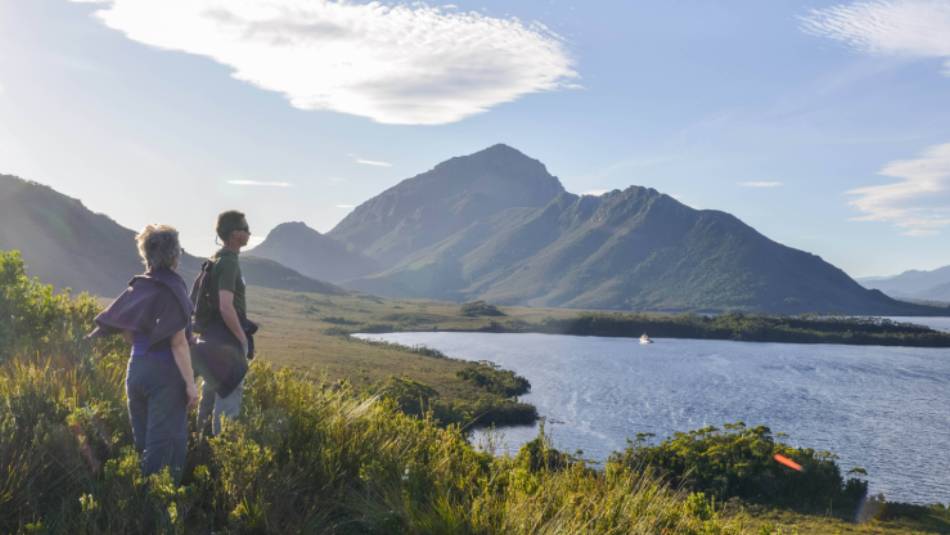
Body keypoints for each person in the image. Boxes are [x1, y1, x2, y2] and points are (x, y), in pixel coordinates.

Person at [88, 224, 198, 481]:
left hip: (136, 369)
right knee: (165, 446)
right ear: (174, 255)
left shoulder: (138, 287)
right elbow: (178, 342)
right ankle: (160, 512)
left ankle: (138, 504)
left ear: (146, 254)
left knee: (144, 442)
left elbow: (126, 330)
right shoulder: (174, 287)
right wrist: (191, 385)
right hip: (164, 374)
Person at [194, 210, 255, 436]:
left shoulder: (216, 258)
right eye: (245, 228)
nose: (250, 232)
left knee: (208, 397)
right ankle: (222, 458)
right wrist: (241, 339)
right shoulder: (229, 261)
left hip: (210, 338)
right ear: (234, 234)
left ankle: (202, 449)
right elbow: (226, 306)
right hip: (227, 341)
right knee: (228, 400)